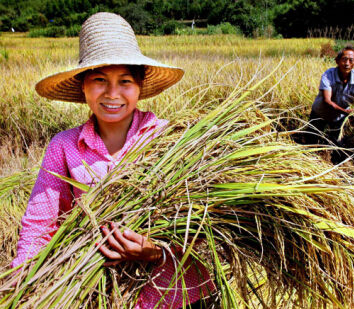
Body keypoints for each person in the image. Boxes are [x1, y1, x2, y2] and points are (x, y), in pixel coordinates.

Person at [12, 12, 214, 308]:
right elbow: (38, 227)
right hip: (100, 293)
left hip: (179, 292)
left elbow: (203, 225)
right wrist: (20, 285)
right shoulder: (64, 147)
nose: (112, 93)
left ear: (140, 85)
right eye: (99, 79)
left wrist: (155, 250)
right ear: (82, 86)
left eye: (125, 81)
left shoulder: (172, 139)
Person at [307, 45, 354, 146]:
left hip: (339, 117)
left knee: (336, 143)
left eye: (351, 60)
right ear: (337, 61)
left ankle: (333, 159)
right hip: (320, 113)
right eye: (344, 59)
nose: (347, 64)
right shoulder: (328, 75)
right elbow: (327, 101)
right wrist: (345, 112)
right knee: (312, 139)